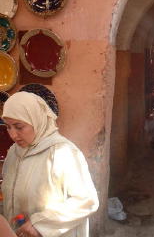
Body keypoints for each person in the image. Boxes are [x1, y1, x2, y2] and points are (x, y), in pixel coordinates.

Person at [1, 91, 99, 237]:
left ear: (36, 120)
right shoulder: (14, 153)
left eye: (19, 127)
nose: (13, 135)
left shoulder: (62, 152)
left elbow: (86, 200)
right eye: (8, 127)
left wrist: (40, 224)